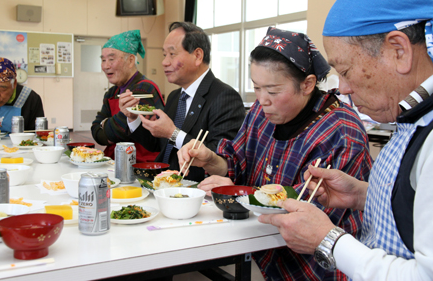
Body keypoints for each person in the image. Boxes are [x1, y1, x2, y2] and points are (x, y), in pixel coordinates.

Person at [258, 0, 433, 280]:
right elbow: (419, 209)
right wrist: (364, 195)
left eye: (346, 70)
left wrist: (329, 241)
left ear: (399, 50)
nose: (344, 89)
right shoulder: (413, 116)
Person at [178, 27, 372, 280]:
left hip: (315, 264)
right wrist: (212, 160)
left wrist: (243, 196)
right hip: (258, 246)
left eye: (272, 91)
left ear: (308, 84)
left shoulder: (341, 132)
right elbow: (237, 162)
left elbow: (315, 220)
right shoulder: (260, 112)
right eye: (256, 88)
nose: (262, 100)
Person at [123, 22, 245, 182]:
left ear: (197, 56)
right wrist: (133, 118)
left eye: (172, 54)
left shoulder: (224, 96)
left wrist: (172, 133)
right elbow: (158, 145)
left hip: (195, 190)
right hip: (163, 184)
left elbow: (220, 158)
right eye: (164, 55)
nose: (164, 62)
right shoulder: (175, 96)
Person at [91, 30, 164, 162]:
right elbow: (97, 134)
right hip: (115, 163)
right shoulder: (111, 93)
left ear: (130, 61)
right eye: (103, 60)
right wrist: (107, 127)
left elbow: (120, 131)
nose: (106, 66)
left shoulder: (144, 88)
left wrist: (105, 124)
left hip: (140, 166)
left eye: (111, 59)